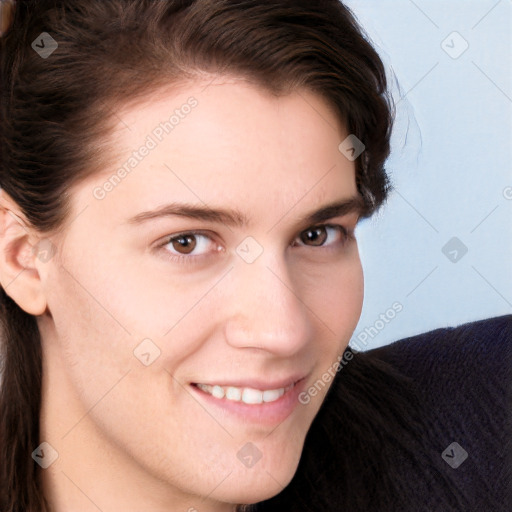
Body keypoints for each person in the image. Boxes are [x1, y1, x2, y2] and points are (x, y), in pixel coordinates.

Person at [0, 1, 509, 511]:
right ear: (21, 256)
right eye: (188, 242)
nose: (282, 331)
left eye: (317, 235)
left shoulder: (474, 434)